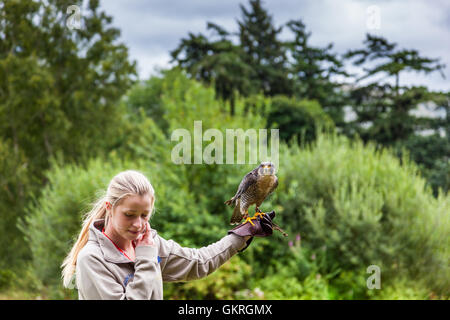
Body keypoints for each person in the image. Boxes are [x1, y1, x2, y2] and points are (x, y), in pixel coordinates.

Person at [61, 170, 275, 300]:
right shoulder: (92, 259)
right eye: (129, 215)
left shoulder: (149, 243)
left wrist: (241, 236)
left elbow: (199, 263)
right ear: (110, 208)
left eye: (145, 215)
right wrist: (146, 257)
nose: (138, 224)